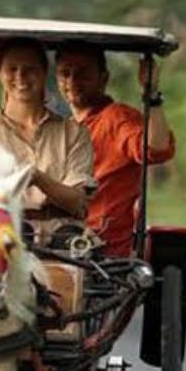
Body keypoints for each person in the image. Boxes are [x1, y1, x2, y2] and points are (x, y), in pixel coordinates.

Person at [0, 38, 95, 246]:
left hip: (64, 240)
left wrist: (36, 177)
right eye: (12, 69)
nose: (20, 78)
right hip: (3, 237)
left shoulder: (74, 133)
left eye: (29, 69)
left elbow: (77, 202)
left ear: (44, 72)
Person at [54, 41, 176, 257]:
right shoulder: (63, 128)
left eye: (82, 73)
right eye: (65, 73)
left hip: (100, 251)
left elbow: (156, 149)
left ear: (104, 78)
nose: (72, 81)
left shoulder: (117, 118)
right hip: (58, 240)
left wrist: (152, 94)